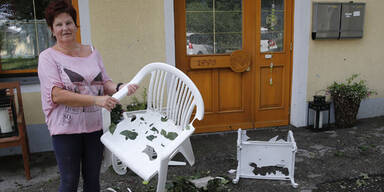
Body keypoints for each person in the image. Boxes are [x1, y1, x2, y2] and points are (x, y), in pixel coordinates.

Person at [38, 1, 138, 191]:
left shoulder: (92, 52)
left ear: (76, 26)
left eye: (68, 23)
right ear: (52, 30)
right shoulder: (47, 57)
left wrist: (120, 86)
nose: (65, 28)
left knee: (93, 181)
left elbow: (104, 83)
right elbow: (57, 95)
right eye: (58, 25)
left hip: (94, 127)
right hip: (65, 130)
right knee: (69, 182)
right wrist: (96, 100)